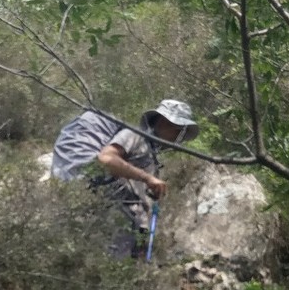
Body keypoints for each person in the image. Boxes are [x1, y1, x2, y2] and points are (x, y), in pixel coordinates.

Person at [52, 99, 198, 258]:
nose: (179, 137)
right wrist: (147, 178)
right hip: (114, 217)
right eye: (178, 130)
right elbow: (106, 159)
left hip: (131, 223)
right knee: (109, 266)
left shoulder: (151, 152)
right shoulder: (135, 135)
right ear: (163, 122)